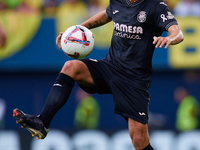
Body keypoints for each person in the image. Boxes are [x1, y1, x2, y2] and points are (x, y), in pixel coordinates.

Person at [13, 0, 184, 149]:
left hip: (134, 80)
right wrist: (79, 29)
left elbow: (178, 33)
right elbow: (107, 14)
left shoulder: (156, 6)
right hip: (110, 67)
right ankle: (42, 122)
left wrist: (170, 38)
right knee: (71, 67)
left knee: (139, 139)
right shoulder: (118, 1)